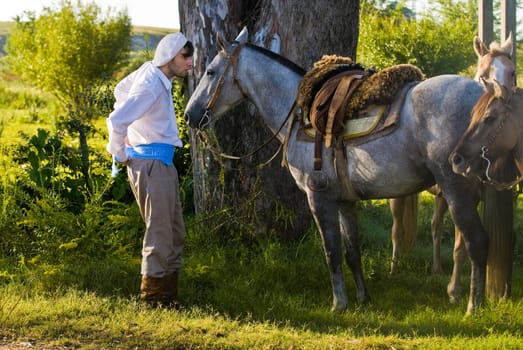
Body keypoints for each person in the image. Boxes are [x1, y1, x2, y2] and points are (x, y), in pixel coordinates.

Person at [106, 32, 194, 307]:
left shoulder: (155, 78)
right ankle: (152, 299)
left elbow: (121, 90)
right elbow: (116, 120)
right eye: (185, 56)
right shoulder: (151, 85)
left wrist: (136, 133)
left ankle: (168, 296)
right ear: (169, 56)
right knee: (159, 232)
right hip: (151, 164)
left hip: (162, 163)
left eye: (190, 56)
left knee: (175, 231)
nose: (190, 62)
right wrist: (120, 154)